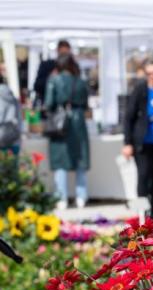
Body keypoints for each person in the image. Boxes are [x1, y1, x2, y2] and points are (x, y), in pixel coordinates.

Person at [122, 58, 153, 218]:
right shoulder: (140, 90)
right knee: (143, 176)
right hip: (143, 143)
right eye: (149, 74)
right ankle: (141, 212)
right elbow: (128, 117)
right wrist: (127, 142)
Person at [45, 54, 89, 210]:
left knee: (60, 159)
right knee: (80, 158)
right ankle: (81, 197)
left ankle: (61, 197)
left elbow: (49, 103)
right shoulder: (81, 81)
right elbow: (85, 103)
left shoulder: (54, 80)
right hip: (78, 120)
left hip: (60, 121)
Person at [33, 40, 71, 106]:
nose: (64, 57)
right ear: (58, 51)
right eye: (63, 54)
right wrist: (50, 77)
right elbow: (37, 86)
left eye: (66, 54)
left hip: (67, 107)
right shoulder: (47, 65)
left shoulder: (72, 68)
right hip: (48, 107)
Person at [0, 74, 22, 155]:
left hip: (1, 138)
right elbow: (19, 117)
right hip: (14, 138)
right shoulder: (12, 95)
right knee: (12, 164)